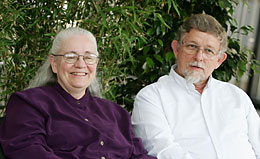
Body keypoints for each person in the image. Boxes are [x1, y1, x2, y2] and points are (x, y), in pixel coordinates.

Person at [0, 27, 157, 159]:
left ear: (95, 64)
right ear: (54, 63)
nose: (80, 64)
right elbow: (28, 150)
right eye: (70, 57)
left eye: (88, 57)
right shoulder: (29, 103)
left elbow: (139, 155)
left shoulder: (117, 113)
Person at [131, 13, 260, 159]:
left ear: (219, 60)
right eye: (192, 46)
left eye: (209, 51)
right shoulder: (151, 97)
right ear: (176, 49)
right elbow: (163, 151)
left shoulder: (237, 97)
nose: (199, 57)